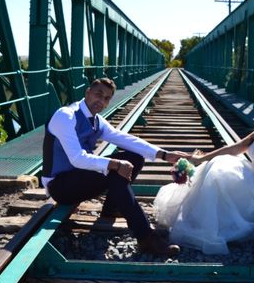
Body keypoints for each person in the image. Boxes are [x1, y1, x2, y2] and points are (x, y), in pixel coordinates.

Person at [41, 77, 188, 256]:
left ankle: (113, 207)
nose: (101, 101)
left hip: (79, 179)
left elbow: (124, 138)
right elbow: (77, 158)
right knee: (114, 170)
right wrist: (115, 164)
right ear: (87, 93)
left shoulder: (96, 120)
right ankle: (146, 237)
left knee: (134, 157)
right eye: (98, 95)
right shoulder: (66, 115)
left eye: (107, 98)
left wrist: (163, 154)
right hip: (60, 186)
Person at [153, 90, 254, 255]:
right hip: (253, 178)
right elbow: (233, 148)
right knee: (216, 165)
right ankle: (198, 222)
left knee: (219, 174)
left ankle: (206, 227)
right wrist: (201, 159)